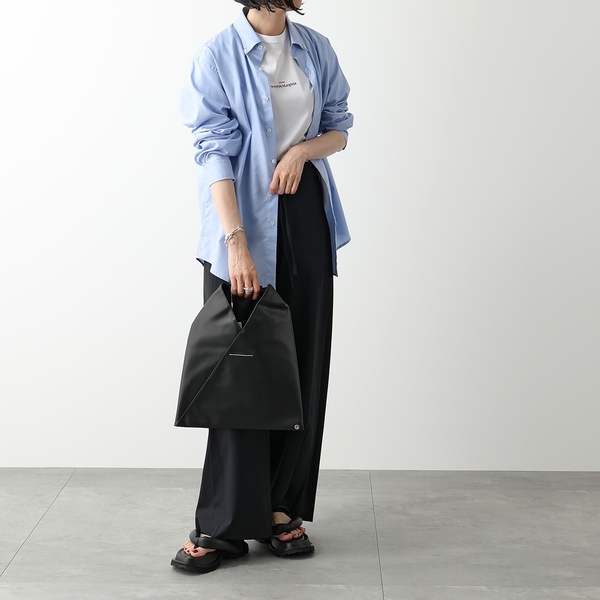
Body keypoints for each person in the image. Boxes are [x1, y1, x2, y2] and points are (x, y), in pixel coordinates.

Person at [171, 0, 353, 573]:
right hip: (242, 223)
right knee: (241, 372)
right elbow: (211, 152)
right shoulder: (217, 56)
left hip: (305, 216)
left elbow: (339, 129)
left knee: (302, 363)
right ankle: (222, 524)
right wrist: (236, 242)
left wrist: (301, 150)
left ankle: (281, 508)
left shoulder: (316, 48)